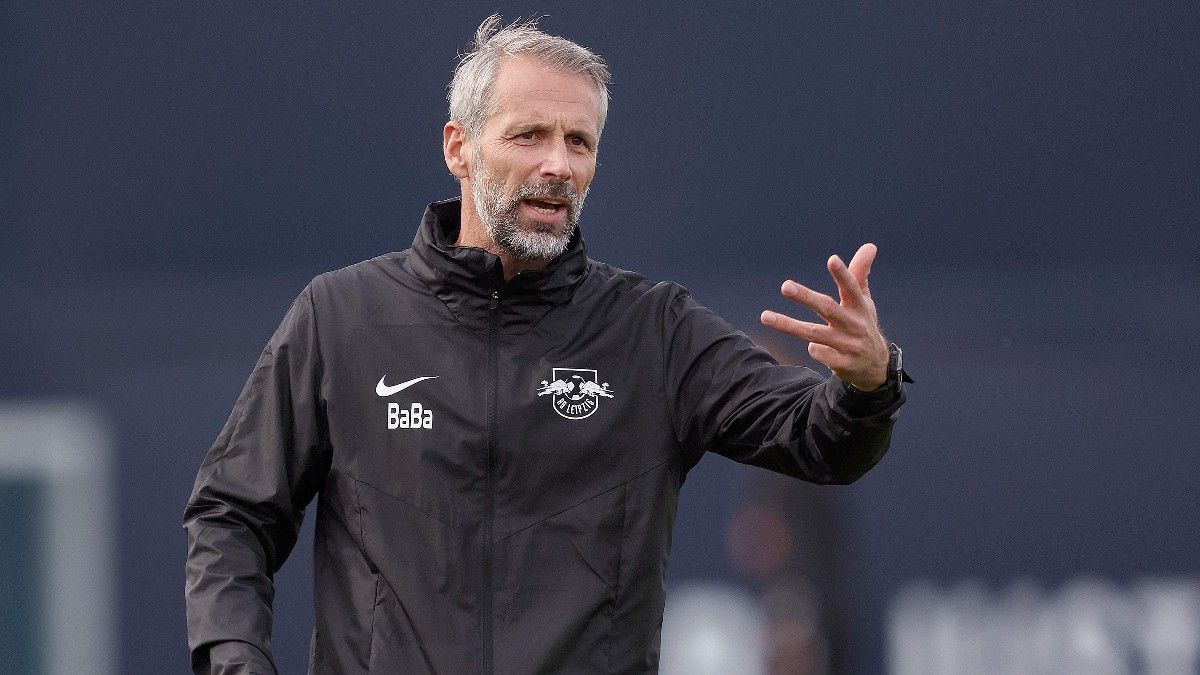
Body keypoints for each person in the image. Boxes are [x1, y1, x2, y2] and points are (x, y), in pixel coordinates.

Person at [183, 15, 910, 674]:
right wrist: (234, 659)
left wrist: (869, 383)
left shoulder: (653, 331)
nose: (558, 164)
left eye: (579, 141)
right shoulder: (343, 318)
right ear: (458, 148)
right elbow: (232, 512)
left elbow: (823, 442)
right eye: (529, 135)